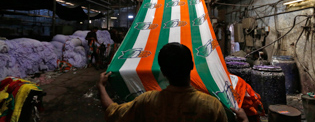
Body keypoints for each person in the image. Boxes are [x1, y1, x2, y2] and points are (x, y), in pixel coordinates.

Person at [97, 42, 248, 122]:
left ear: (162, 71)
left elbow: (113, 112)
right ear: (191, 66)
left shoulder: (147, 101)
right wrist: (244, 120)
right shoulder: (211, 105)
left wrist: (101, 87)